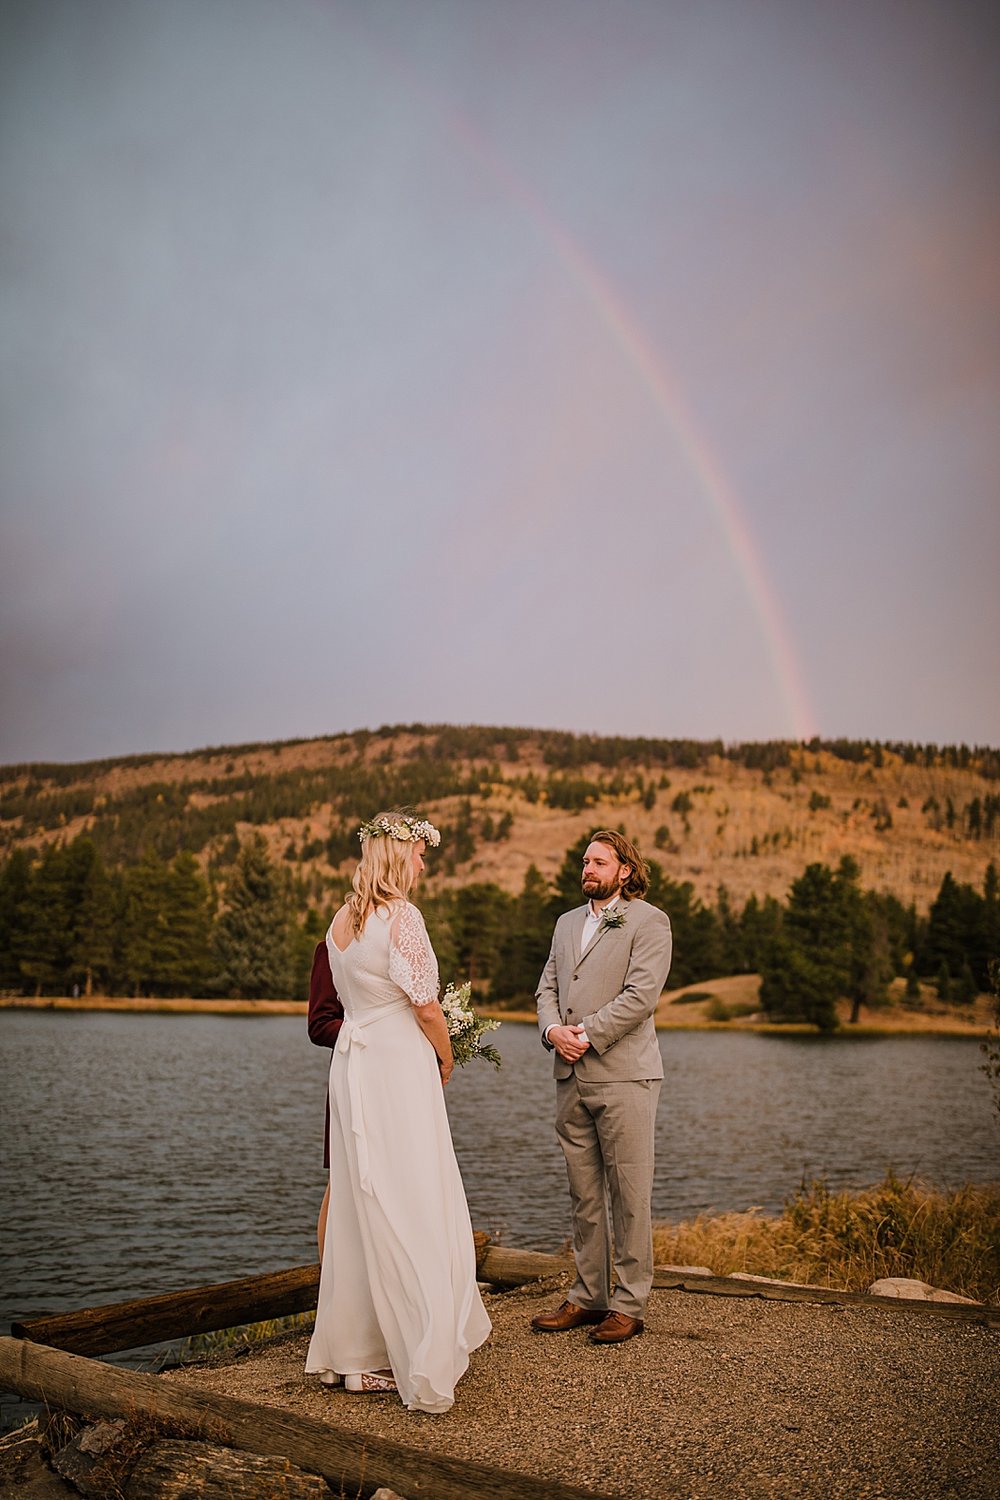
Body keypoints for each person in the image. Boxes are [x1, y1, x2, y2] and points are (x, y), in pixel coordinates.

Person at [305, 810, 491, 1412]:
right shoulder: (403, 918)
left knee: (362, 1203)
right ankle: (409, 1344)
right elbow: (426, 1004)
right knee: (411, 1193)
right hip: (396, 1067)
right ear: (397, 856)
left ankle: (350, 1356)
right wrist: (445, 1056)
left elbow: (349, 999)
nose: (423, 862)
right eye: (417, 853)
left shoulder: (340, 922)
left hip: (354, 1067)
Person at [532, 830, 672, 1345]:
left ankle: (629, 1304)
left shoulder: (650, 921)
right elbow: (547, 986)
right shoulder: (567, 923)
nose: (587, 869)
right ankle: (589, 1295)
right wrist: (553, 1032)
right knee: (584, 1194)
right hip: (569, 1076)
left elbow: (641, 997)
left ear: (625, 871)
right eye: (584, 861)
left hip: (625, 1075)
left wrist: (584, 1035)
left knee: (630, 1193)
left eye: (597, 862)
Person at [306, 939, 344, 1260]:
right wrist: (375, 1034)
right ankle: (329, 1284)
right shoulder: (331, 947)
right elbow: (319, 1024)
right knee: (342, 1182)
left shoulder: (401, 942)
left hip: (399, 1076)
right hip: (353, 1072)